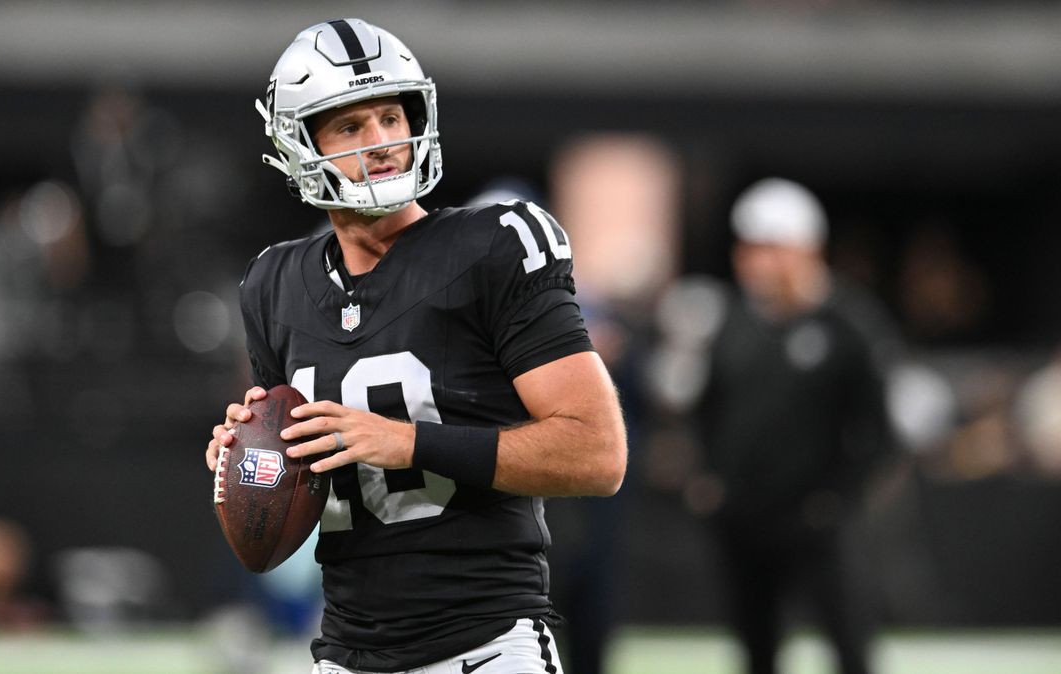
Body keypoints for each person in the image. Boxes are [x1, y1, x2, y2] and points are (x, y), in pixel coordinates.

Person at [203, 18, 627, 674]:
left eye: (391, 118)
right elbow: (294, 475)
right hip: (346, 652)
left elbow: (597, 452)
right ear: (299, 142)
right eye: (349, 126)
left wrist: (406, 441)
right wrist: (252, 460)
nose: (382, 143)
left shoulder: (494, 246)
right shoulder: (273, 282)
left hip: (484, 646)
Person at [667, 178, 892, 674]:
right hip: (746, 518)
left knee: (849, 641)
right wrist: (708, 478)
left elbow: (878, 430)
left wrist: (836, 499)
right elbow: (708, 408)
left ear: (805, 249)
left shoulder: (849, 324)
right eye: (748, 248)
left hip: (820, 523)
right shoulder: (733, 322)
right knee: (756, 645)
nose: (753, 261)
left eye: (768, 248)